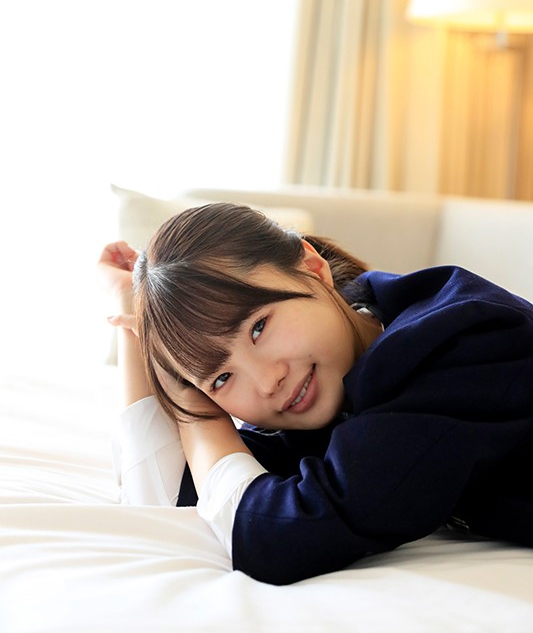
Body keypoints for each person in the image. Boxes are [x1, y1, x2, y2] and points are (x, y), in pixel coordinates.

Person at [97, 202, 533, 585]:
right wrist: (135, 328)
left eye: (259, 328)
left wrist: (196, 401)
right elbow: (166, 502)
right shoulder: (333, 375)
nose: (266, 382)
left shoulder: (457, 344)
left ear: (311, 266)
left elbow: (281, 535)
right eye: (223, 378)